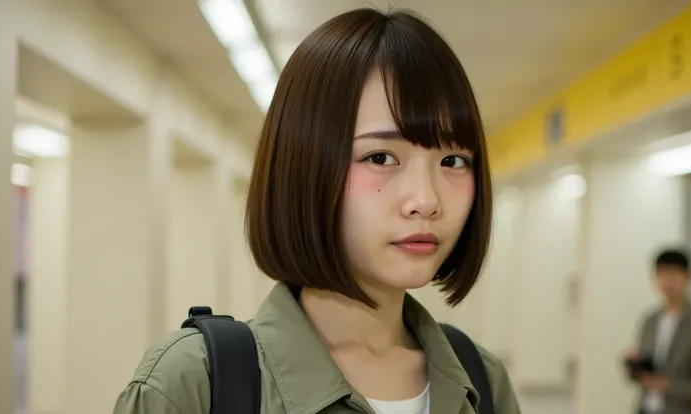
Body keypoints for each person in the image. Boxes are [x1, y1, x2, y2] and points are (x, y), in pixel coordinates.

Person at [113, 7, 520, 414]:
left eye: (453, 161)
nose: (426, 201)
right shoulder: (191, 383)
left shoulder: (482, 380)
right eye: (380, 157)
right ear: (304, 168)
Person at [624, 249, 691, 414]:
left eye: (674, 275)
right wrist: (635, 366)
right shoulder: (650, 320)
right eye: (662, 275)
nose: (668, 282)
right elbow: (642, 374)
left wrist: (669, 386)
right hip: (646, 407)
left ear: (689, 276)